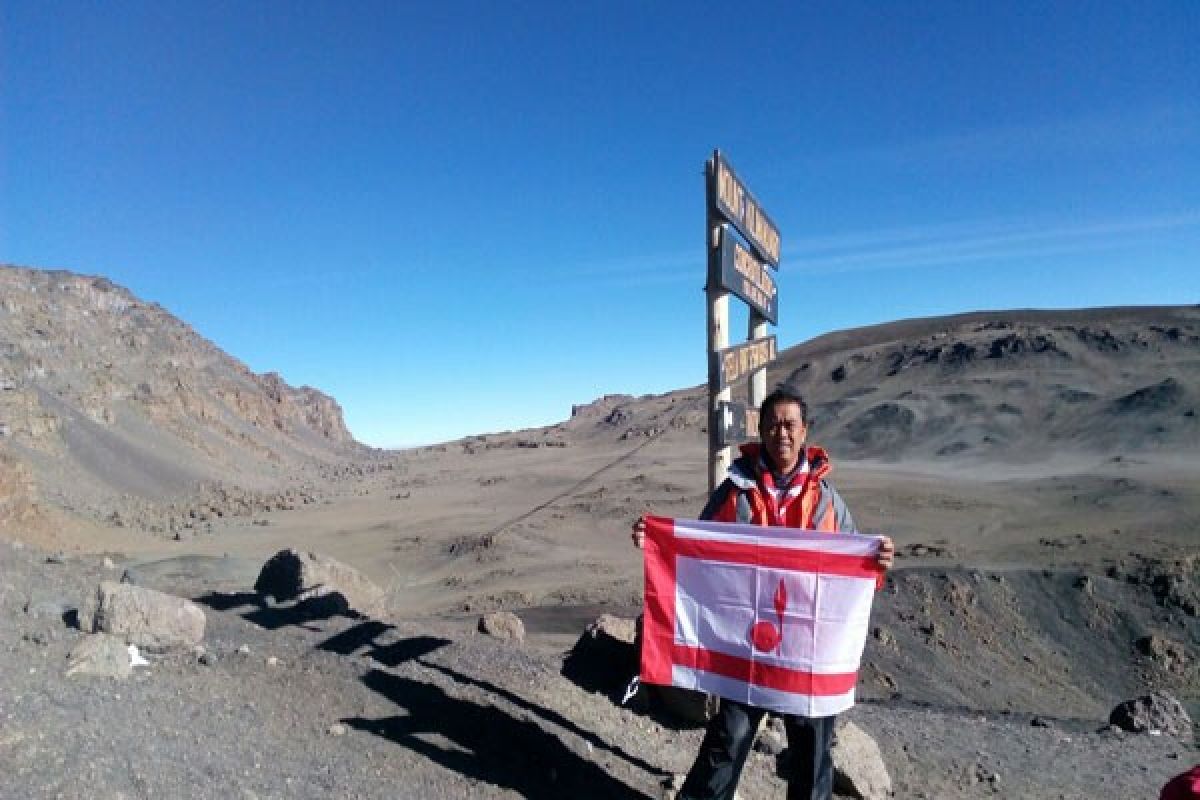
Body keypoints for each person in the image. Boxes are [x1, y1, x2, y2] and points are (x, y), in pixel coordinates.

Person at [631, 386, 894, 800]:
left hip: (807, 654)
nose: (781, 433)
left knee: (811, 757)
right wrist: (657, 540)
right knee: (728, 742)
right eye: (772, 424)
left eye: (790, 424)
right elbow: (698, 552)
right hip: (746, 649)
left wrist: (876, 564)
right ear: (761, 430)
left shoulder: (827, 501)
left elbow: (854, 574)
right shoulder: (735, 492)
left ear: (805, 432)